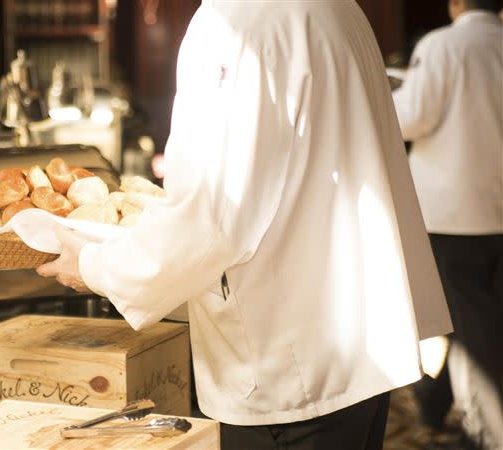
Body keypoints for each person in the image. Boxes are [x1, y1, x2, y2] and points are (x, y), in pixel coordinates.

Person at [38, 1, 453, 448]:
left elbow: (212, 219)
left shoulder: (233, 23)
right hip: (354, 338)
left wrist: (96, 265)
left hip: (288, 367)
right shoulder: (337, 7)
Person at [392, 0, 503, 448]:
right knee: (481, 323)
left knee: (473, 334)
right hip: (497, 207)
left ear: (456, 2)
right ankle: (434, 405)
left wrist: (391, 93)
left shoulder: (442, 45)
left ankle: (487, 434)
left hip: (457, 214)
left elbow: (410, 117)